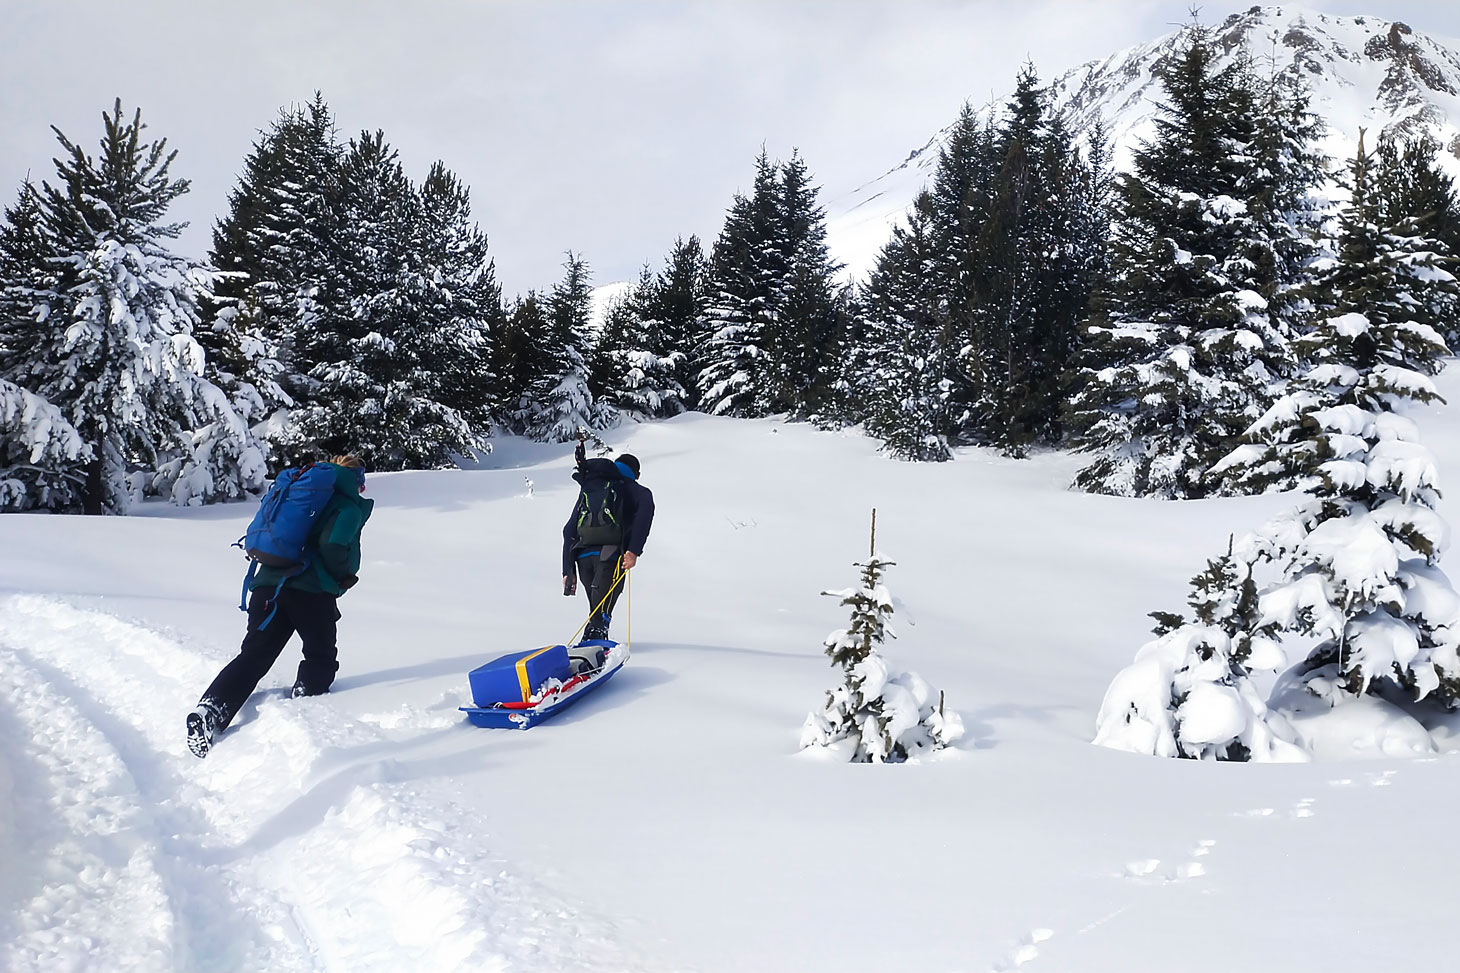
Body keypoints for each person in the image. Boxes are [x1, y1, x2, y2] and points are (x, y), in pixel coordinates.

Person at [187, 454, 373, 758]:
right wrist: (342, 575)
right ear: (357, 481)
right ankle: (307, 708)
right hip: (311, 591)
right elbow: (333, 544)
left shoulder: (301, 495)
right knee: (320, 655)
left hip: (267, 587)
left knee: (255, 656)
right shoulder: (346, 506)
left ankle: (211, 711)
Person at [562, 451, 654, 644]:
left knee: (596, 610)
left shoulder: (593, 488)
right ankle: (594, 651)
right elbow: (645, 512)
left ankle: (590, 644)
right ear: (636, 474)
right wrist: (634, 550)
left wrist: (568, 568)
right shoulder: (636, 490)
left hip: (583, 555)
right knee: (600, 613)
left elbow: (569, 529)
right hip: (611, 555)